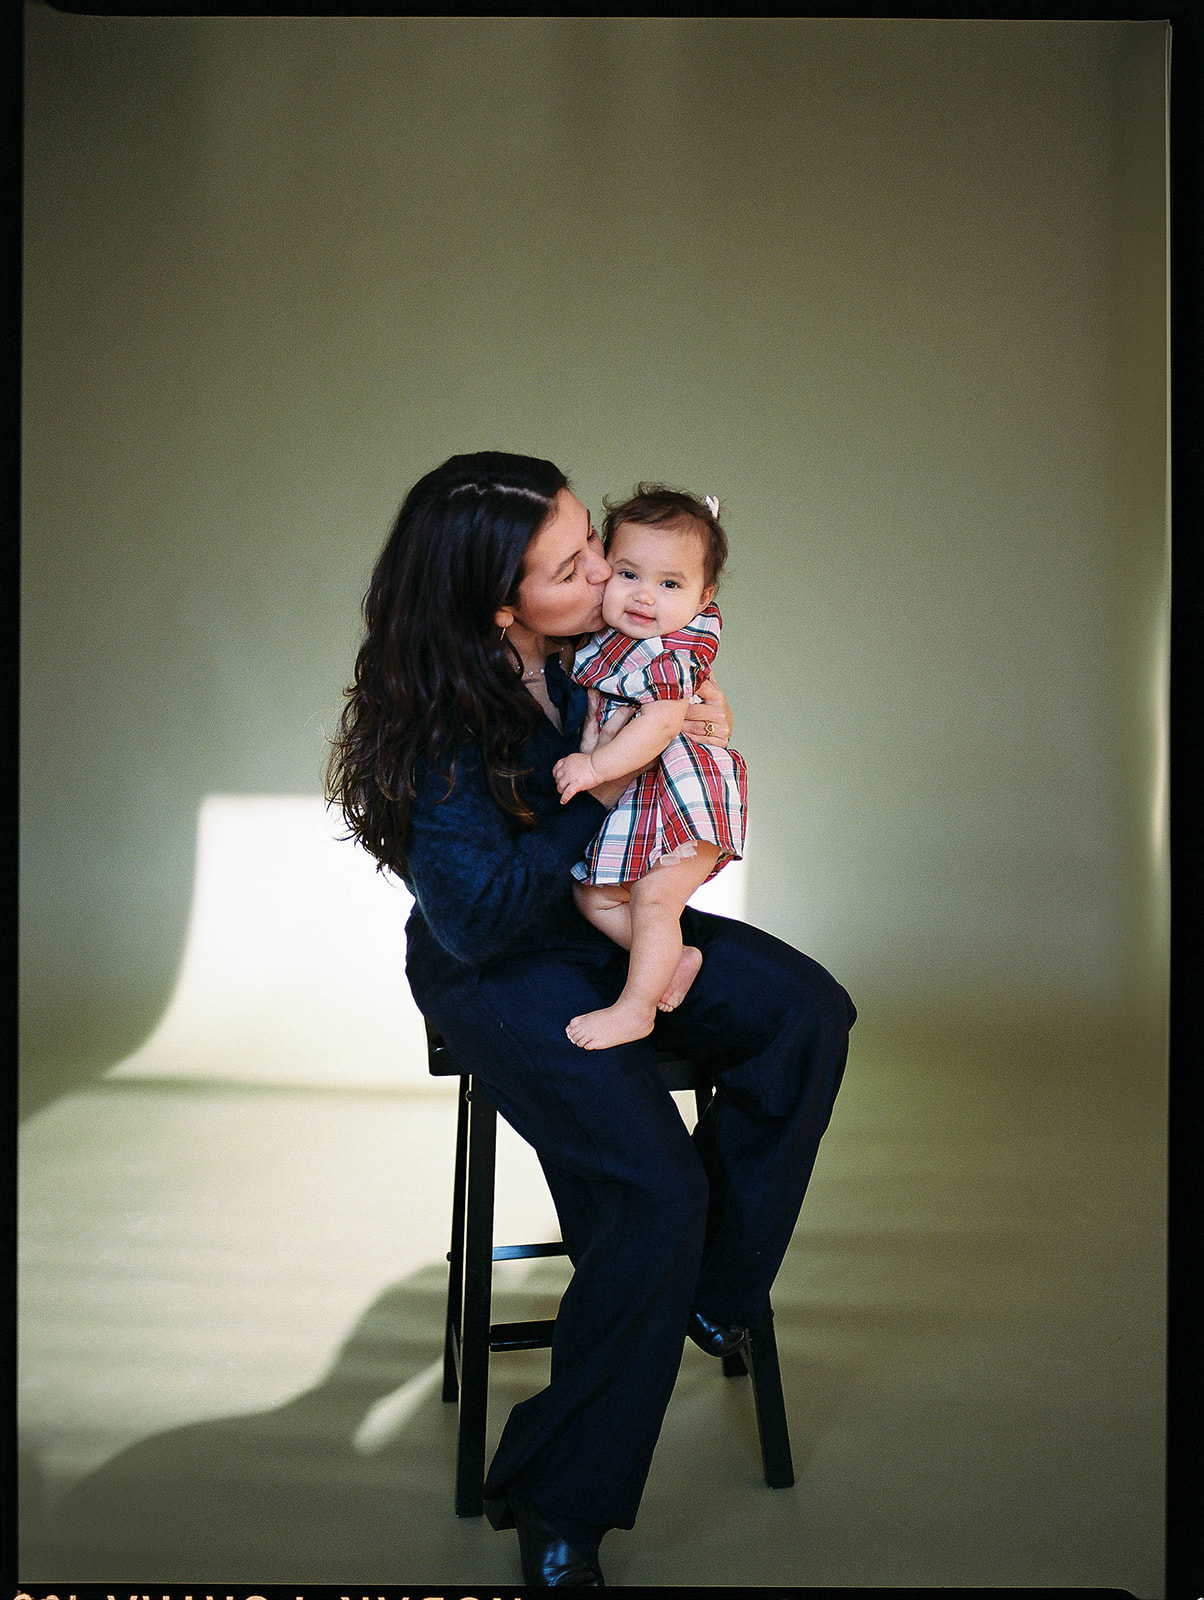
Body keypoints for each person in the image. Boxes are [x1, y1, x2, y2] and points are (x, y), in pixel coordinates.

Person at [327, 451, 855, 1588]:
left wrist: (698, 727)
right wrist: (607, 792)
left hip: (605, 928)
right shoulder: (439, 719)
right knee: (651, 1192)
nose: (608, 576)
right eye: (575, 565)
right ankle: (557, 1501)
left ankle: (705, 1292)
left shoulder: (601, 649)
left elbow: (674, 746)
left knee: (805, 1012)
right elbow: (476, 921)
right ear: (499, 601)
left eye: (595, 547)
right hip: (498, 972)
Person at [553, 485, 747, 1052]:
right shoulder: (612, 641)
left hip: (687, 799)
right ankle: (674, 956)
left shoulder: (663, 654)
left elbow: (663, 723)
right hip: (650, 800)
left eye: (670, 584)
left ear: (703, 594)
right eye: (628, 573)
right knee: (594, 897)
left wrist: (595, 767)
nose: (643, 597)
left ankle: (636, 1008)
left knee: (656, 901)